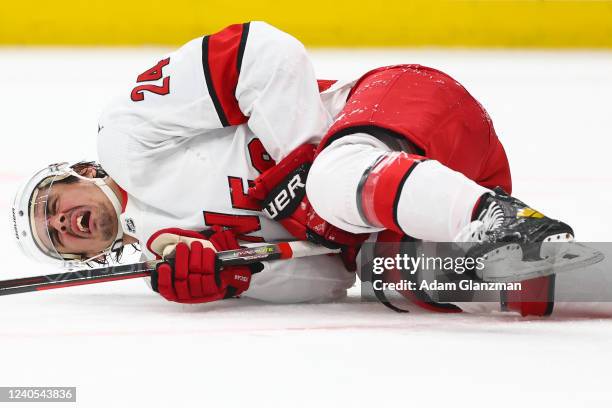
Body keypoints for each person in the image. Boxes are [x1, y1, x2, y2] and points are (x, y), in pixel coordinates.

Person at [11, 21, 574, 315]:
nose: (62, 224)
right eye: (56, 239)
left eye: (51, 206)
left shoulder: (126, 137)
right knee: (391, 276)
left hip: (407, 110)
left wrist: (297, 166)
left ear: (79, 171)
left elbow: (261, 51)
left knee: (332, 182)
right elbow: (330, 277)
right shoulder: (170, 248)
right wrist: (234, 276)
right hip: (428, 202)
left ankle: (500, 222)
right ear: (84, 258)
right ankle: (559, 269)